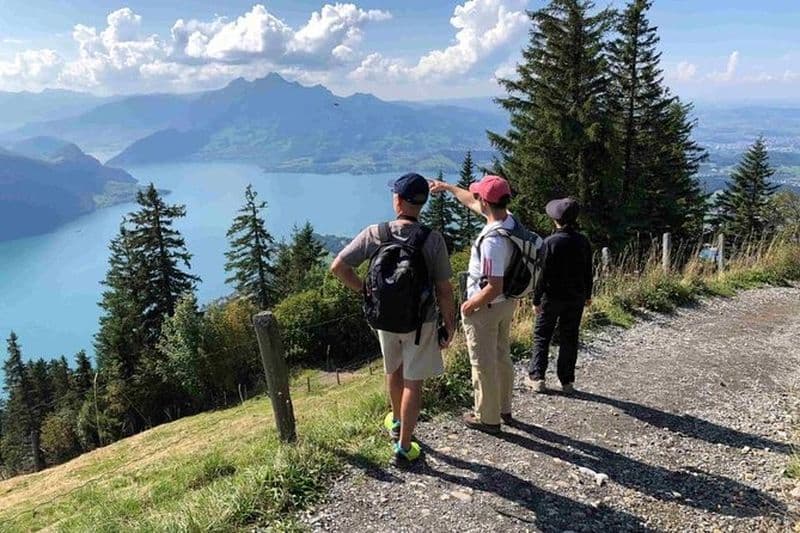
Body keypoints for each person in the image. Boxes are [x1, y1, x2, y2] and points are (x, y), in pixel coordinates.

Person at [331, 172, 456, 463]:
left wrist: (366, 291)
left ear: (397, 200)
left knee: (393, 370)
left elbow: (338, 267)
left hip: (384, 318)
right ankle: (404, 447)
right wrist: (449, 325)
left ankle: (397, 423)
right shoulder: (432, 239)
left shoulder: (376, 233)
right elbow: (444, 289)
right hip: (421, 321)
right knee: (414, 381)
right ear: (422, 203)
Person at [429, 175, 518, 435]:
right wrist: (447, 188)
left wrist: (468, 306)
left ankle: (487, 418)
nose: (476, 199)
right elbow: (471, 201)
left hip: (485, 308)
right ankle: (503, 407)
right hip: (506, 304)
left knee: (482, 363)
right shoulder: (510, 221)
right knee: (501, 355)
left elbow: (493, 285)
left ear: (486, 203)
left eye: (479, 196)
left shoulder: (491, 240)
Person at [525, 198, 593, 394]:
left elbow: (542, 275)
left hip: (551, 297)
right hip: (576, 296)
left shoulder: (550, 242)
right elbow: (588, 271)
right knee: (570, 337)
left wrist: (536, 299)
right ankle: (567, 381)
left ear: (555, 219)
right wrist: (588, 295)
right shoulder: (583, 241)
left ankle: (537, 377)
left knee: (542, 335)